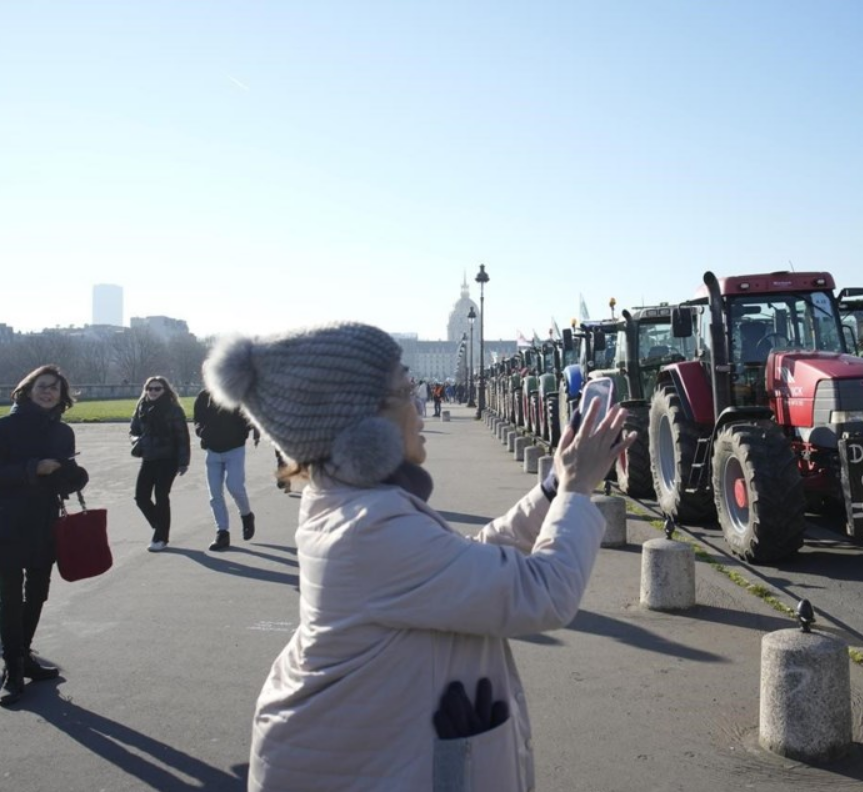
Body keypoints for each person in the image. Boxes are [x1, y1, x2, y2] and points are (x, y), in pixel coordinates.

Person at [202, 322, 633, 791]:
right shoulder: (369, 526)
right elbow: (544, 592)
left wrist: (552, 490)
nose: (420, 403)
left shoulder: (350, 506)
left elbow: (461, 561)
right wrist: (576, 489)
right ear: (365, 425)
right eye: (406, 389)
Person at [0, 364, 89, 706]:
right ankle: (11, 669)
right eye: (42, 386)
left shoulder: (63, 433)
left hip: (43, 521)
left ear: (61, 396)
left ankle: (24, 656)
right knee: (9, 599)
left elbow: (61, 481)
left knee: (37, 593)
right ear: (27, 389)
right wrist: (32, 468)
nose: (48, 391)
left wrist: (74, 476)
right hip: (6, 521)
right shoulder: (4, 427)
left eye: (54, 387)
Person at [194, 387, 260, 551]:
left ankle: (246, 515)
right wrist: (202, 432)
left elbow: (252, 413)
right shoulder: (203, 396)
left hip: (235, 448)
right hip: (212, 450)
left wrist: (253, 431)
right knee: (215, 493)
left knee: (235, 486)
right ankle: (222, 532)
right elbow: (198, 419)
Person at [129, 376, 190, 551]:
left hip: (168, 459)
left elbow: (182, 437)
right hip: (148, 458)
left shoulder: (173, 410)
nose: (153, 392)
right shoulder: (141, 407)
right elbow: (133, 430)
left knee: (161, 495)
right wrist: (137, 441)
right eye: (150, 388)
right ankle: (161, 526)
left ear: (165, 390)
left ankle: (160, 537)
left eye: (157, 389)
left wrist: (183, 462)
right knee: (141, 497)